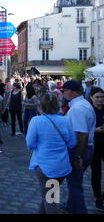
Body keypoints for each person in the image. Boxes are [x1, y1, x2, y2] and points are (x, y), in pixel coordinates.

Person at [26, 92, 76, 214]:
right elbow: (72, 143)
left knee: (50, 199)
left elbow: (30, 144)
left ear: (41, 105)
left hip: (45, 166)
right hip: (61, 165)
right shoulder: (65, 121)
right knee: (49, 195)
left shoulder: (36, 121)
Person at [62, 80, 96, 214]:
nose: (63, 93)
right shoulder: (82, 104)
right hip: (85, 149)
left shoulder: (77, 108)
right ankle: (71, 206)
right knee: (75, 181)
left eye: (64, 90)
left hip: (79, 149)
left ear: (71, 92)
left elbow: (81, 135)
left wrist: (77, 156)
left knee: (75, 185)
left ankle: (80, 210)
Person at [89, 87, 104, 212]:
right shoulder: (89, 111)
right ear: (91, 98)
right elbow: (83, 129)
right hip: (94, 146)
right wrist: (96, 130)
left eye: (102, 97)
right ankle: (98, 197)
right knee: (96, 172)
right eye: (97, 97)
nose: (100, 100)